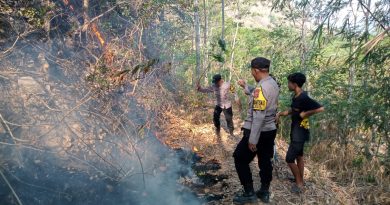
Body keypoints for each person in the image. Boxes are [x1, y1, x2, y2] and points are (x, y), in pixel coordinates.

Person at [232, 57, 280, 204]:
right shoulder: (272, 83)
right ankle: (264, 191)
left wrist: (253, 139)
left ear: (256, 70)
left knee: (239, 158)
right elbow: (255, 93)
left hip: (258, 131)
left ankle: (249, 193)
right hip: (270, 129)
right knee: (265, 160)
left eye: (252, 71)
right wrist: (245, 86)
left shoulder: (261, 88)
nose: (252, 73)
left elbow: (258, 115)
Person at [276, 72, 324, 194]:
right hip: (297, 130)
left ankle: (299, 184)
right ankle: (300, 178)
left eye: (289, 83)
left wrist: (305, 114)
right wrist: (280, 114)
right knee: (299, 156)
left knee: (289, 158)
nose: (288, 85)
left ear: (295, 84)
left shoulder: (303, 97)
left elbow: (320, 108)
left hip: (299, 132)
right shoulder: (296, 96)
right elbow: (294, 110)